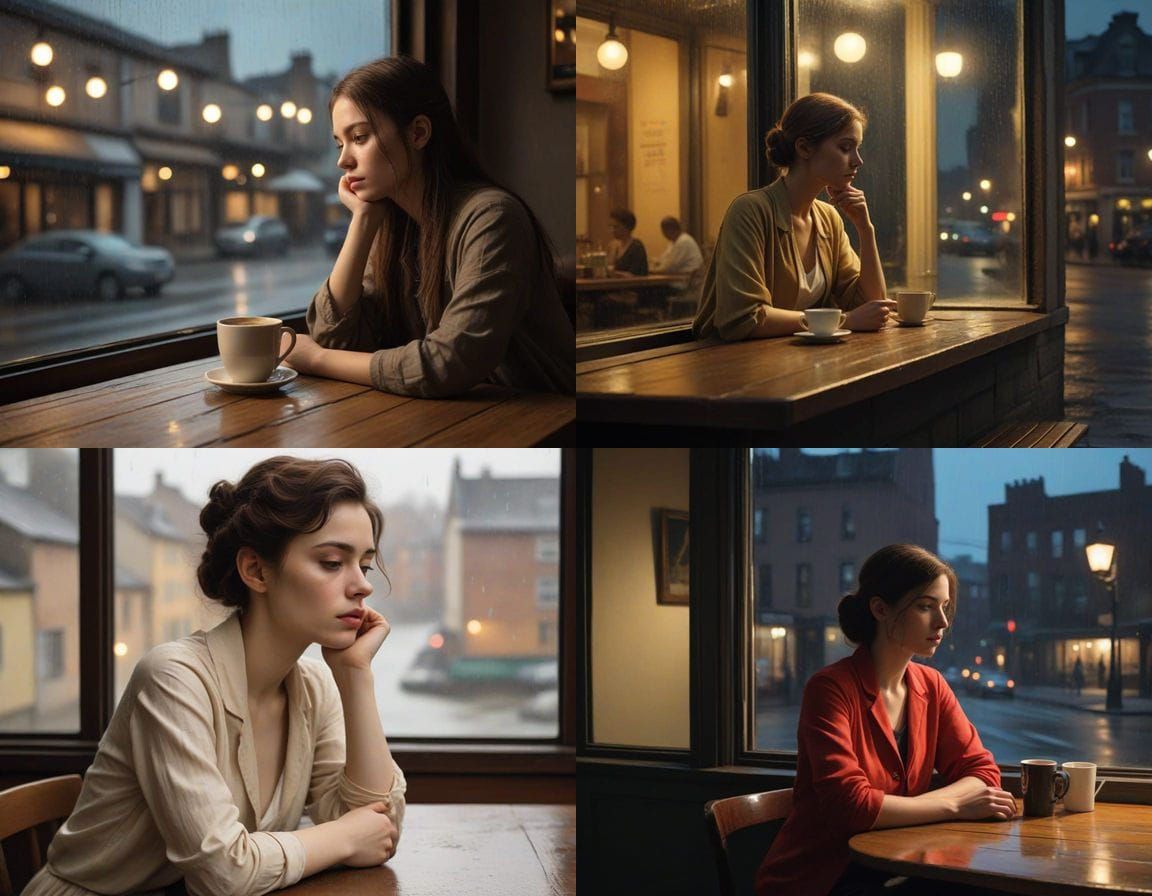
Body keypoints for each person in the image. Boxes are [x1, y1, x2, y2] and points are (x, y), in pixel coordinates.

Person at [24, 457, 406, 896]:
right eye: (333, 562)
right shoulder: (174, 679)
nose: (363, 586)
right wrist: (341, 838)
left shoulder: (316, 688)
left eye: (366, 565)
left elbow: (380, 828)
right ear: (256, 570)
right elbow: (224, 872)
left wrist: (355, 674)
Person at [282, 55, 573, 397]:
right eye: (339, 143)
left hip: (543, 417)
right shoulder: (394, 224)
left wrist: (316, 360)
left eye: (359, 137)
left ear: (418, 132)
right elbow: (335, 335)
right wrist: (362, 221)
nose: (342, 160)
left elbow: (450, 362)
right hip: (463, 415)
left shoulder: (492, 218)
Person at [756, 545, 1015, 896]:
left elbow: (983, 773)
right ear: (880, 608)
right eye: (925, 606)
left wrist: (944, 803)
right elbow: (850, 806)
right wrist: (955, 804)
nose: (942, 622)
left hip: (897, 862)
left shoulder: (931, 685)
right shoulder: (830, 688)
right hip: (822, 877)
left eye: (945, 607)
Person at [694, 92, 896, 340]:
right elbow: (744, 318)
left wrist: (865, 229)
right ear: (804, 147)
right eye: (845, 148)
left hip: (796, 361)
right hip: (733, 365)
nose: (858, 161)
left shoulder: (828, 218)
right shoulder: (750, 211)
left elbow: (873, 308)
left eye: (857, 148)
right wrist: (845, 320)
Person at [607, 208, 648, 276]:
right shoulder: (614, 245)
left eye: (616, 227)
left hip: (633, 285)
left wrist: (614, 273)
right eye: (611, 227)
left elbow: (634, 275)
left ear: (627, 227)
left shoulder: (636, 247)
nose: (612, 230)